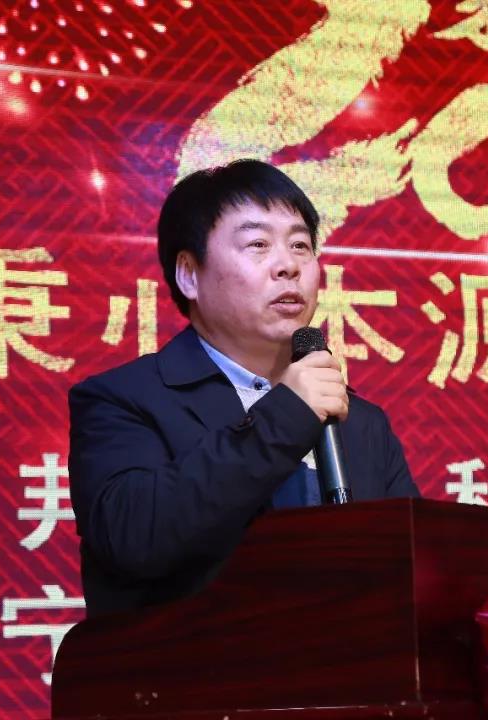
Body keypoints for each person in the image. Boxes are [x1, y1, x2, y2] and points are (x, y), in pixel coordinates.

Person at [68, 160, 419, 617]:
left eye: (301, 245)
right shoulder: (124, 400)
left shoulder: (362, 421)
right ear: (189, 274)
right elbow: (134, 539)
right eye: (258, 244)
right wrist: (287, 414)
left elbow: (410, 569)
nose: (288, 266)